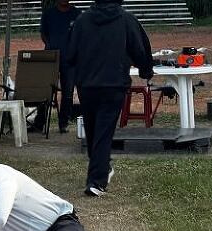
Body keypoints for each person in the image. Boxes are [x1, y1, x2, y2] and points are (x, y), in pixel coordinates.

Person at [64, 0, 153, 197]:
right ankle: (97, 180)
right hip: (114, 84)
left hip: (87, 84)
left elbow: (70, 54)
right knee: (103, 131)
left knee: (92, 129)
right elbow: (140, 48)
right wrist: (146, 70)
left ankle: (100, 171)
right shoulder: (126, 19)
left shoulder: (82, 20)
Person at [32, 0, 81, 134]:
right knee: (46, 90)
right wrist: (50, 46)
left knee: (68, 92)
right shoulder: (48, 14)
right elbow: (43, 34)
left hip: (70, 60)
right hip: (51, 58)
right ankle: (39, 123)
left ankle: (63, 123)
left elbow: (81, 35)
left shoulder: (77, 14)